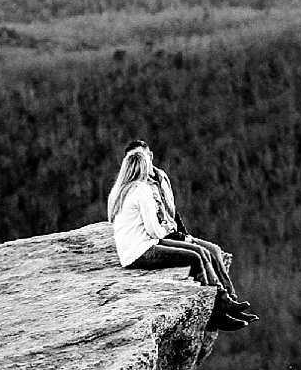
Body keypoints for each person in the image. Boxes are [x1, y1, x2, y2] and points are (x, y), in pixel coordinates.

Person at [108, 140, 257, 330]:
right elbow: (154, 229)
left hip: (140, 247)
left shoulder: (132, 187)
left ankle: (227, 303)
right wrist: (170, 233)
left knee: (211, 251)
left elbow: (169, 213)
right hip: (145, 247)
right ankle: (218, 310)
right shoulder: (141, 190)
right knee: (198, 255)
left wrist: (182, 233)